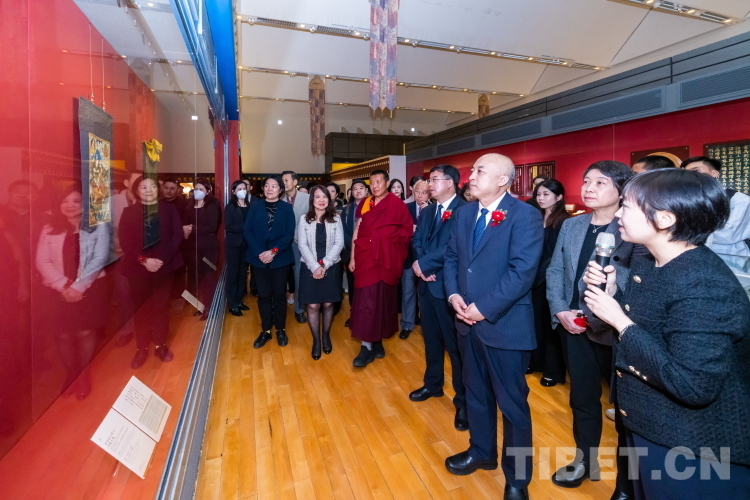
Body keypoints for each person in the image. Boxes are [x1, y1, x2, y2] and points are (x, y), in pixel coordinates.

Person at [583, 168, 750, 499]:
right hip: (649, 425)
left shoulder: (703, 284)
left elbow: (692, 385)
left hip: (694, 445)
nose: (618, 214)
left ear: (664, 219)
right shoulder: (650, 261)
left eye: (627, 206)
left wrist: (620, 321)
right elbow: (650, 327)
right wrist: (613, 295)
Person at [443, 153, 543, 500]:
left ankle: (517, 479)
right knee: (475, 393)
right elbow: (453, 258)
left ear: (503, 180)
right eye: (472, 170)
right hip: (466, 322)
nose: (471, 176)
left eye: (479, 171)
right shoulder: (464, 213)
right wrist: (454, 295)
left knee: (513, 406)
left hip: (505, 325)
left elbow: (522, 272)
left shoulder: (525, 215)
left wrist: (482, 309)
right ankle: (481, 451)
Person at [546, 161, 642, 497]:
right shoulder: (573, 225)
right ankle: (585, 461)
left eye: (600, 182)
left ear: (622, 190)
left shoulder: (632, 229)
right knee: (582, 399)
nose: (588, 188)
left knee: (627, 412)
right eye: (586, 180)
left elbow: (635, 284)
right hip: (574, 327)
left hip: (616, 331)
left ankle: (627, 484)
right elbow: (556, 271)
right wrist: (560, 310)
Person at [36, 187, 110, 399]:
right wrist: (64, 284)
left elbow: (100, 258)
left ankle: (83, 375)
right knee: (63, 333)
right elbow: (42, 261)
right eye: (65, 201)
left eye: (76, 201)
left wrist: (78, 286)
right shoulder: (49, 228)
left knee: (85, 332)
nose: (69, 205)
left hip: (90, 286)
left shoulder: (98, 226)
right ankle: (71, 373)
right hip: (57, 289)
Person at [409, 164, 468, 430]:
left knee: (455, 348)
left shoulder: (464, 211)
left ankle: (463, 401)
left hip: (449, 287)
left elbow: (454, 247)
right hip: (427, 284)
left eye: (434, 180)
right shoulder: (428, 210)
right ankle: (432, 385)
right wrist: (422, 267)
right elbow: (417, 241)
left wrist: (426, 265)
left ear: (451, 182)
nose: (429, 185)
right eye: (429, 180)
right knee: (431, 341)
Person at [349, 170, 413, 367]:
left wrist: (385, 237)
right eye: (372, 182)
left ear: (387, 183)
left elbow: (406, 232)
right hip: (366, 258)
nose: (375, 185)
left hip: (387, 259)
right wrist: (352, 257)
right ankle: (366, 346)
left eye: (379, 181)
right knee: (366, 301)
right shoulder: (365, 203)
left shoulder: (397, 204)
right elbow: (358, 230)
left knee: (383, 300)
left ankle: (377, 340)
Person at [119, 175, 184, 368]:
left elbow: (177, 235)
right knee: (141, 309)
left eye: (152, 187)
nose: (148, 190)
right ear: (137, 191)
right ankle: (141, 348)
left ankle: (160, 345)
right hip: (137, 269)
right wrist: (144, 260)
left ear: (158, 190)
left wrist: (161, 260)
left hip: (165, 267)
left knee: (161, 307)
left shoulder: (169, 209)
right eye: (143, 187)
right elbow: (125, 241)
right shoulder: (129, 212)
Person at [245, 175, 296, 348]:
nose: (270, 188)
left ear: (280, 189)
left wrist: (273, 251)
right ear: (263, 188)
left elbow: (289, 234)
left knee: (279, 295)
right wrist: (260, 252)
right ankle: (266, 330)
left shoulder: (287, 208)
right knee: (264, 295)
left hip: (280, 259)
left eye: (274, 186)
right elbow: (248, 231)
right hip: (258, 258)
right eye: (267, 185)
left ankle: (280, 329)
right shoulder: (255, 206)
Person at [528, 179, 569, 386]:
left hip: (551, 278)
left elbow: (558, 255)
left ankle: (553, 370)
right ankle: (535, 362)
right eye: (538, 194)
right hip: (533, 277)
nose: (541, 198)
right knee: (535, 323)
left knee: (551, 325)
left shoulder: (564, 221)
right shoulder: (536, 217)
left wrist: (537, 275)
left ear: (559, 197)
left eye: (546, 194)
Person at [297, 186, 344, 360]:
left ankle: (325, 336)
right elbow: (302, 245)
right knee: (313, 305)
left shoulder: (336, 218)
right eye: (317, 197)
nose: (321, 200)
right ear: (312, 200)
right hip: (309, 266)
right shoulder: (304, 219)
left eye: (325, 197)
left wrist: (324, 264)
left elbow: (339, 244)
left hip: (331, 266)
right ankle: (316, 341)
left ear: (329, 199)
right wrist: (315, 266)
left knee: (328, 304)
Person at [681, 156, 750, 259]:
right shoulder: (687, 200)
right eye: (687, 173)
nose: (690, 176)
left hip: (732, 259)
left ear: (714, 173)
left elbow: (728, 235)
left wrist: (685, 231)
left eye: (696, 171)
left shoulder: (739, 200)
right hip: (696, 258)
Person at [182, 178, 222, 320]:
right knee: (195, 277)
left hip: (208, 248)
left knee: (209, 277)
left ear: (208, 191)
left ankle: (210, 307)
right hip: (192, 247)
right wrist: (185, 228)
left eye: (201, 189)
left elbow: (211, 227)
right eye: (196, 189)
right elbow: (185, 223)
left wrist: (192, 228)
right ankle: (199, 306)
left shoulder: (213, 205)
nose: (198, 192)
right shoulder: (189, 205)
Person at [400, 180, 430, 339]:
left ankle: (427, 325)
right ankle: (407, 324)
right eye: (417, 191)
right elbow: (398, 229)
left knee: (426, 294)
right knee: (408, 292)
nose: (420, 195)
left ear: (429, 194)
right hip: (409, 256)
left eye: (424, 192)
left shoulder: (434, 209)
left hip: (427, 259)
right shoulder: (406, 208)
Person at [281, 171, 311, 324]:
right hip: (282, 244)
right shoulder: (278, 199)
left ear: (295, 182)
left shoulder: (307, 198)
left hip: (299, 243)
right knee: (281, 277)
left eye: (286, 180)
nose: (284, 183)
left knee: (299, 276)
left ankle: (299, 310)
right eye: (282, 180)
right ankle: (279, 310)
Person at [225, 180, 257, 316]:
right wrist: (246, 227)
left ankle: (239, 301)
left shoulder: (250, 206)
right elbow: (229, 226)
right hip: (233, 244)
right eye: (239, 189)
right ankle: (232, 304)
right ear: (233, 191)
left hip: (247, 244)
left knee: (243, 274)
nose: (242, 191)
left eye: (244, 188)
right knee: (233, 274)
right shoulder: (230, 207)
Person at [341, 179, 369, 329]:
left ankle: (366, 315)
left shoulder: (372, 206)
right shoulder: (346, 210)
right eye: (355, 189)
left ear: (366, 190)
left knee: (366, 286)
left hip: (367, 253)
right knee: (352, 286)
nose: (358, 191)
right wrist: (352, 245)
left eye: (361, 188)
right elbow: (343, 231)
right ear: (351, 192)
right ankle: (354, 314)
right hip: (350, 253)